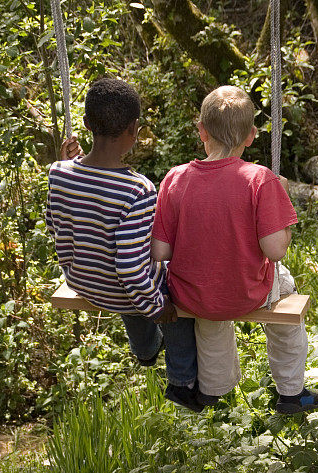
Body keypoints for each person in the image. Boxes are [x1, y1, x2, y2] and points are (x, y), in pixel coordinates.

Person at [150, 85, 318, 414]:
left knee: (209, 312)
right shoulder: (259, 179)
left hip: (193, 295)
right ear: (251, 136)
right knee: (286, 293)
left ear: (201, 131)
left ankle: (213, 390)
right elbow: (275, 252)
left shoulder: (174, 179)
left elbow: (159, 252)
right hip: (245, 292)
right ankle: (291, 391)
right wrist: (281, 198)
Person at [46, 78, 201, 412]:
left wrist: (68, 163)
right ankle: (181, 381)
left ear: (86, 124)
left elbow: (54, 225)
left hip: (83, 282)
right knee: (174, 287)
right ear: (135, 130)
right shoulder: (138, 190)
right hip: (119, 287)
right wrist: (157, 308)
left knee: (138, 289)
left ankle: (145, 352)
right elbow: (130, 270)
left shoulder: (58, 172)